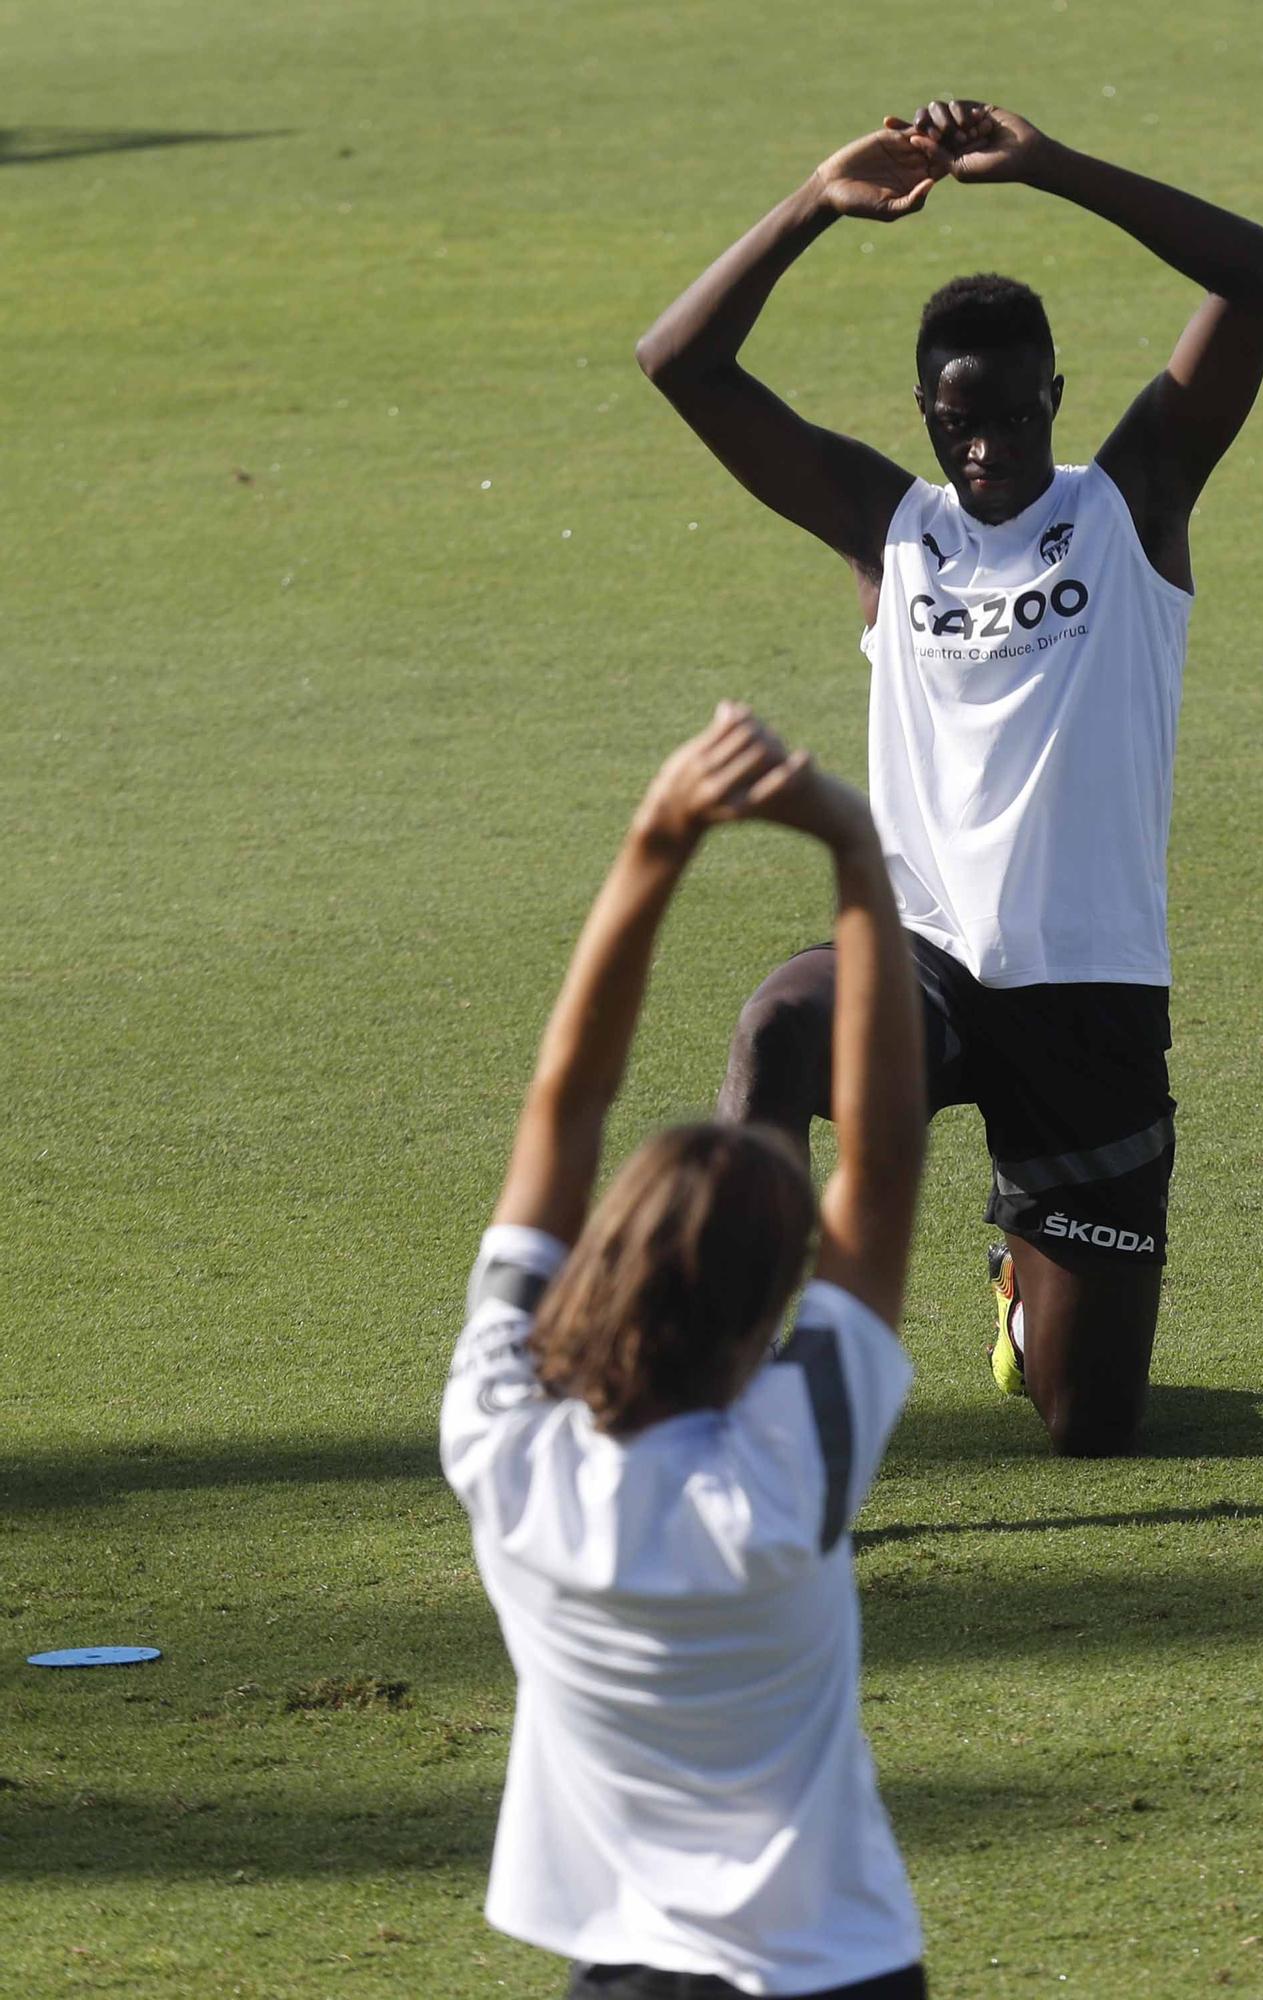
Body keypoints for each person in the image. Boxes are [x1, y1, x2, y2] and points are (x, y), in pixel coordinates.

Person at [635, 99, 1263, 1455]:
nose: (980, 449)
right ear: (926, 419)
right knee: (774, 1032)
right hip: (922, 966)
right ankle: (731, 1388)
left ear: (1053, 394)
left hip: (1092, 999)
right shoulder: (893, 531)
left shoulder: (1130, 508)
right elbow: (681, 363)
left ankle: (1022, 1289)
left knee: (1089, 1425)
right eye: (953, 424)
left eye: (1004, 416)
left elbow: (1255, 271)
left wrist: (1048, 169)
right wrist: (814, 200)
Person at [441, 703, 929, 1999]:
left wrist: (656, 839)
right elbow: (880, 1164)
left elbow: (566, 1102)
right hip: (841, 1972)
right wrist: (856, 851)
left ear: (600, 1260)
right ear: (771, 1312)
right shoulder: (789, 1473)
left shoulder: (504, 1444)